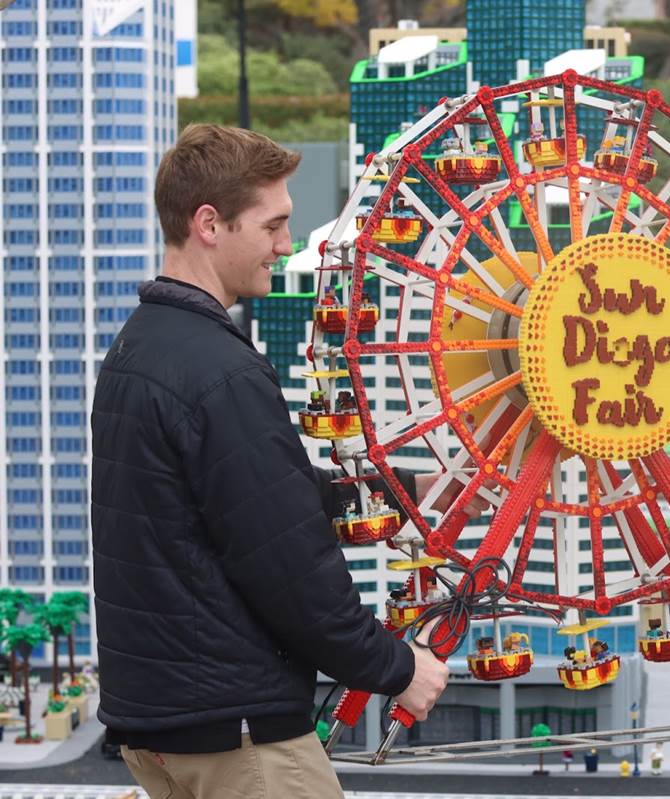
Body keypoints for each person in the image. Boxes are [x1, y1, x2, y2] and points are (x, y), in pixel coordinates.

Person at [90, 124, 484, 799]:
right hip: (240, 736)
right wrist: (398, 668)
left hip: (160, 724)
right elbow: (291, 566)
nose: (286, 243)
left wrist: (411, 491)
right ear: (209, 224)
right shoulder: (221, 371)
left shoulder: (137, 348)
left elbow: (257, 505)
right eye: (272, 225)